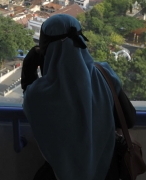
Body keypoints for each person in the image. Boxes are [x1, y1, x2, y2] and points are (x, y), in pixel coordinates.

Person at [22, 14, 136, 180]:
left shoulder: (38, 94)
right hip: (107, 172)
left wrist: (29, 66)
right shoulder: (103, 76)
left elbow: (30, 100)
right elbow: (129, 119)